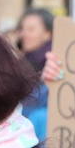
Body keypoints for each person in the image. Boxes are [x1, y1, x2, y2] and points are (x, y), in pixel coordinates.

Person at [16, 7, 53, 137]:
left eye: (31, 29)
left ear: (48, 33)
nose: (24, 34)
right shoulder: (22, 60)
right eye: (22, 29)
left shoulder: (53, 63)